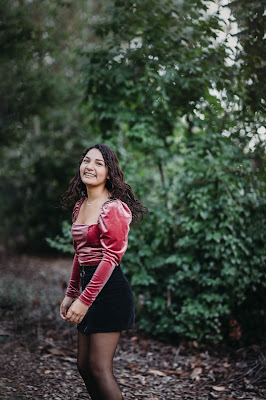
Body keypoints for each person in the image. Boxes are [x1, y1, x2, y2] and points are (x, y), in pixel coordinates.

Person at [59, 144, 147, 400]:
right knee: (84, 366)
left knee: (99, 368)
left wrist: (84, 301)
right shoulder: (80, 205)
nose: (90, 166)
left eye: (99, 163)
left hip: (109, 292)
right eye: (86, 160)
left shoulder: (114, 208)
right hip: (88, 287)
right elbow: (80, 254)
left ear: (109, 173)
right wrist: (71, 293)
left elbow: (110, 257)